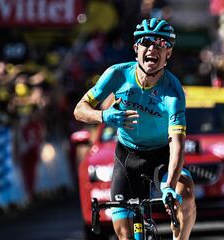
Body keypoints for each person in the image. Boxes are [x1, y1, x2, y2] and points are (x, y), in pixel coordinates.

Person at [74, 18, 196, 240]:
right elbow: (79, 110)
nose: (153, 48)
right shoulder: (117, 74)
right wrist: (103, 115)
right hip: (127, 156)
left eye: (161, 43)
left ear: (168, 53)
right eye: (146, 42)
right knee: (126, 236)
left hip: (162, 156)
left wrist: (169, 186)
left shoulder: (173, 91)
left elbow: (177, 144)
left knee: (185, 193)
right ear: (136, 48)